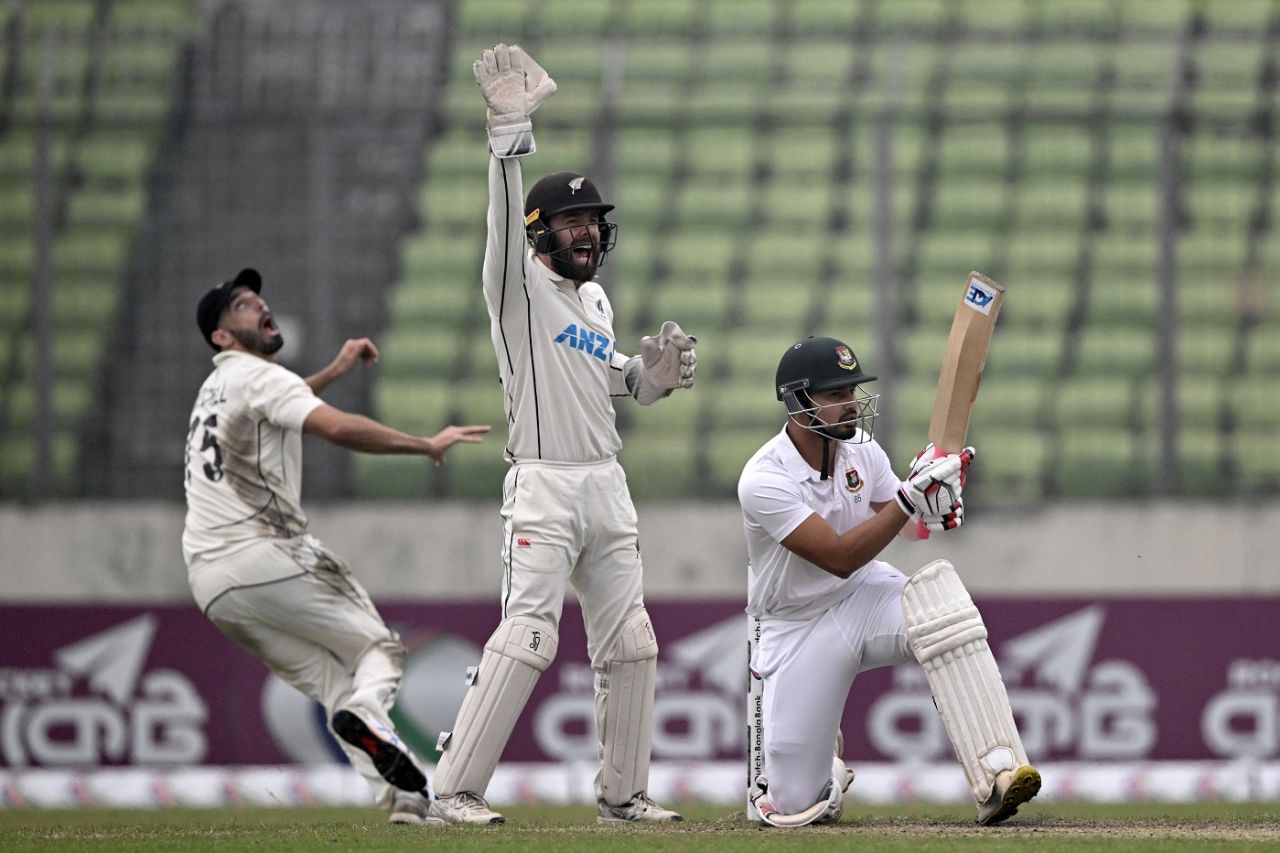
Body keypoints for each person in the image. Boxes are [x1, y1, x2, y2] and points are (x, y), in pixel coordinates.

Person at [426, 44, 695, 826]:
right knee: (529, 637)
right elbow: (501, 227)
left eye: (593, 221)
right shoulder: (516, 287)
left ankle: (623, 795)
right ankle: (454, 789)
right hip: (543, 483)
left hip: (606, 482)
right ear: (540, 233)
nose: (586, 232)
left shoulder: (595, 302)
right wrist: (508, 140)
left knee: (632, 642)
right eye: (572, 221)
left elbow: (610, 378)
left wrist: (651, 377)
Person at [182, 267, 490, 826]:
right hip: (263, 553)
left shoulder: (217, 387)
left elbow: (279, 404)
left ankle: (405, 801)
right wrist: (424, 444)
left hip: (211, 584)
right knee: (380, 651)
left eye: (257, 297)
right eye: (241, 305)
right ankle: (369, 718)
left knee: (336, 683)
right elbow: (339, 429)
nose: (259, 303)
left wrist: (333, 371)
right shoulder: (261, 376)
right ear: (222, 336)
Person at [739, 335, 1040, 827]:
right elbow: (838, 556)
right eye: (835, 394)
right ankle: (825, 767)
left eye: (851, 391)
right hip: (797, 626)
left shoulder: (861, 450)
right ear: (797, 402)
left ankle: (998, 771)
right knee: (795, 806)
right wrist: (908, 499)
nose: (851, 403)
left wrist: (933, 508)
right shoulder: (764, 479)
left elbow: (906, 527)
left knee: (944, 611)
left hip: (863, 595)